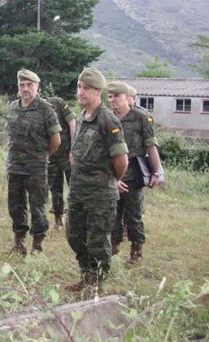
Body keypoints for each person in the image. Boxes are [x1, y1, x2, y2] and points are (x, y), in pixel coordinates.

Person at [66, 68, 128, 292]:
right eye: (79, 87)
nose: (81, 92)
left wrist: (110, 181)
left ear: (98, 92)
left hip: (100, 194)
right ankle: (87, 274)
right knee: (73, 235)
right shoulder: (82, 116)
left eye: (87, 88)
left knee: (98, 241)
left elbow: (121, 160)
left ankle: (97, 284)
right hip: (78, 191)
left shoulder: (107, 119)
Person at [107, 81, 163, 263]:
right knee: (113, 214)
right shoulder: (107, 117)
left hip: (134, 174)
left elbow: (151, 145)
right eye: (110, 96)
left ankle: (136, 251)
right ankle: (113, 248)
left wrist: (157, 172)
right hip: (113, 174)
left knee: (134, 214)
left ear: (127, 97)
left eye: (116, 96)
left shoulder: (141, 117)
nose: (112, 100)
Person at [7, 69, 61, 255]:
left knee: (37, 206)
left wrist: (43, 156)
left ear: (37, 87)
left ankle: (37, 244)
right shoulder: (13, 106)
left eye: (29, 85)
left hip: (36, 168)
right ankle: (19, 241)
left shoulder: (45, 108)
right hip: (15, 166)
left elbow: (56, 140)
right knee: (15, 205)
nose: (25, 88)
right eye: (22, 85)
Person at [44, 95, 76, 231]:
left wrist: (74, 147)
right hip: (51, 157)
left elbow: (72, 121)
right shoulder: (31, 110)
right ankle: (58, 220)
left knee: (74, 187)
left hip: (68, 153)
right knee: (55, 189)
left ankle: (74, 220)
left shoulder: (57, 102)